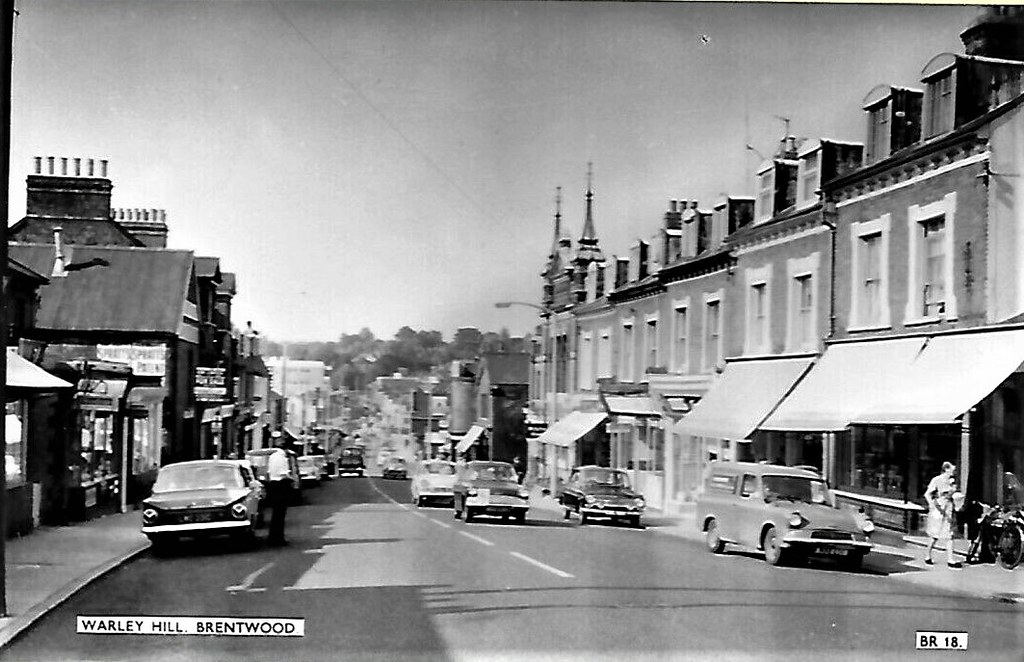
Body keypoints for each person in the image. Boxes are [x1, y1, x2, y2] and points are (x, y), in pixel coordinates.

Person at [923, 461, 961, 568]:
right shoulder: (937, 480)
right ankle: (928, 555)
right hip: (938, 509)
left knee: (950, 535)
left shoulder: (952, 482)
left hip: (948, 508)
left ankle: (951, 560)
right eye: (952, 470)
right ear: (946, 469)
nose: (954, 472)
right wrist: (931, 504)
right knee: (935, 535)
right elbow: (927, 494)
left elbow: (953, 495)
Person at [266, 433, 293, 546]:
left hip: (273, 485)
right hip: (281, 485)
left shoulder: (272, 456)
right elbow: (283, 474)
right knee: (280, 514)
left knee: (275, 513)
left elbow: (269, 472)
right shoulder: (282, 458)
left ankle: (273, 537)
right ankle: (278, 538)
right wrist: (290, 477)